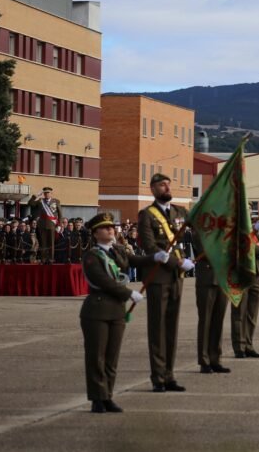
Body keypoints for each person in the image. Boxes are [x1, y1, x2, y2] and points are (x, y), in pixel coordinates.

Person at [80, 212, 168, 413]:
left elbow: (135, 260)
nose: (110, 230)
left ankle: (108, 396)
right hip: (98, 310)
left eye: (112, 227)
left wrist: (155, 257)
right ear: (95, 233)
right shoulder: (92, 256)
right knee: (97, 357)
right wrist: (128, 292)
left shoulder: (117, 250)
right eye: (105, 228)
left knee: (112, 357)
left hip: (117, 311)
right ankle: (97, 398)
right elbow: (102, 280)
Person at [137, 173, 194, 392]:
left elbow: (201, 223)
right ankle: (158, 377)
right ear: (152, 189)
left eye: (168, 184)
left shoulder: (180, 211)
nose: (167, 187)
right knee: (158, 328)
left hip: (176, 278)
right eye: (162, 185)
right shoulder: (147, 215)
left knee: (172, 328)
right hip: (159, 276)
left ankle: (169, 374)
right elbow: (150, 247)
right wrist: (178, 263)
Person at [231, 221, 259, 359]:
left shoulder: (254, 225)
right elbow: (243, 243)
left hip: (257, 273)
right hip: (241, 273)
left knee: (252, 313)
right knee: (240, 312)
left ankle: (249, 345)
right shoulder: (235, 224)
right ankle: (239, 346)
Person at [192, 220, 230, 375]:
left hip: (222, 279)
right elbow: (206, 252)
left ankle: (216, 359)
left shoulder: (224, 233)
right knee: (206, 321)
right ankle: (204, 360)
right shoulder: (200, 231)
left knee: (218, 321)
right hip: (207, 278)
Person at [28, 187, 61, 264]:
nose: (47, 194)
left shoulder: (56, 201)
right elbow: (30, 204)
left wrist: (59, 224)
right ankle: (43, 259)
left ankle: (51, 259)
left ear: (51, 194)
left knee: (51, 244)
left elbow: (60, 214)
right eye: (45, 193)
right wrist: (35, 196)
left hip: (52, 225)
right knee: (43, 243)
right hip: (42, 226)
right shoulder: (40, 201)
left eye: (48, 193)